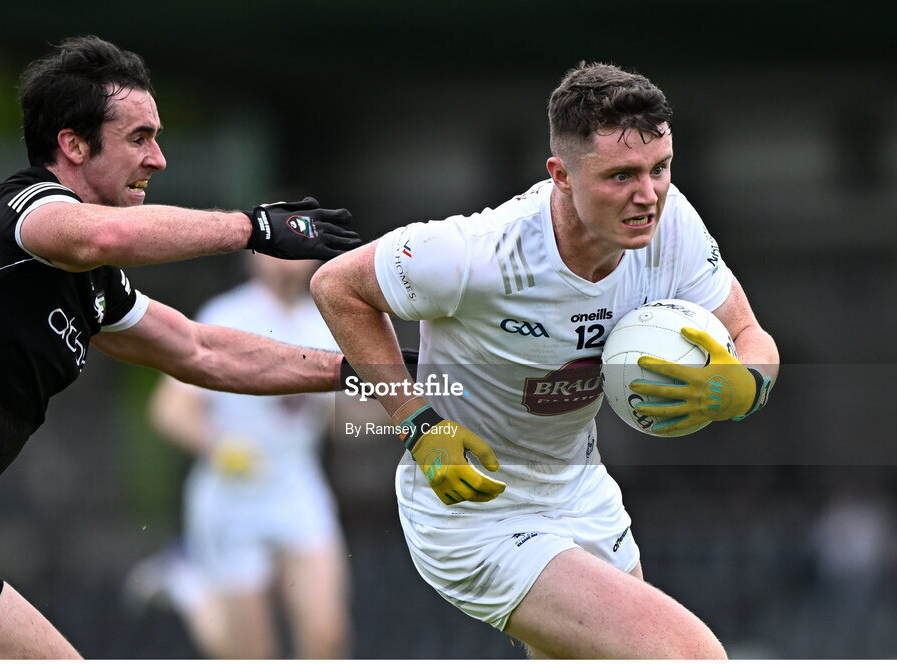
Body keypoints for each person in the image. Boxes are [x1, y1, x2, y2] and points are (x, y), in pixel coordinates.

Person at [0, 35, 361, 659]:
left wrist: (370, 371)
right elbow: (96, 238)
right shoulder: (22, 212)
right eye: (138, 138)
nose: (158, 158)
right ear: (73, 145)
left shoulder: (89, 283)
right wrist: (253, 227)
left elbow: (200, 350)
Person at [311, 61, 779, 659]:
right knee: (690, 655)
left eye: (660, 169)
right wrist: (417, 423)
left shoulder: (670, 221)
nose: (648, 194)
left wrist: (746, 387)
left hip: (580, 493)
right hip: (476, 516)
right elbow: (336, 287)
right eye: (620, 176)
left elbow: (749, 334)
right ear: (560, 174)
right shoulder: (474, 256)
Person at [130, 252, 349, 659]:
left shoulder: (323, 326)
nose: (286, 263)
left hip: (296, 480)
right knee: (248, 653)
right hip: (233, 490)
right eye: (277, 252)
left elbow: (342, 416)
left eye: (298, 253)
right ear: (253, 258)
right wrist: (222, 448)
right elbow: (170, 411)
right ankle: (191, 589)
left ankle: (193, 583)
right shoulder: (226, 315)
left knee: (327, 638)